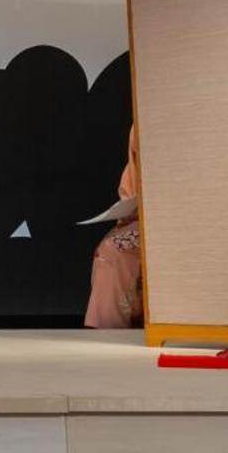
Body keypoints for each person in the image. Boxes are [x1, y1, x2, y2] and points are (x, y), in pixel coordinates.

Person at [84, 126, 142, 328]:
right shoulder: (142, 123)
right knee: (111, 250)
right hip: (147, 219)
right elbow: (132, 182)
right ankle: (109, 331)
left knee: (114, 249)